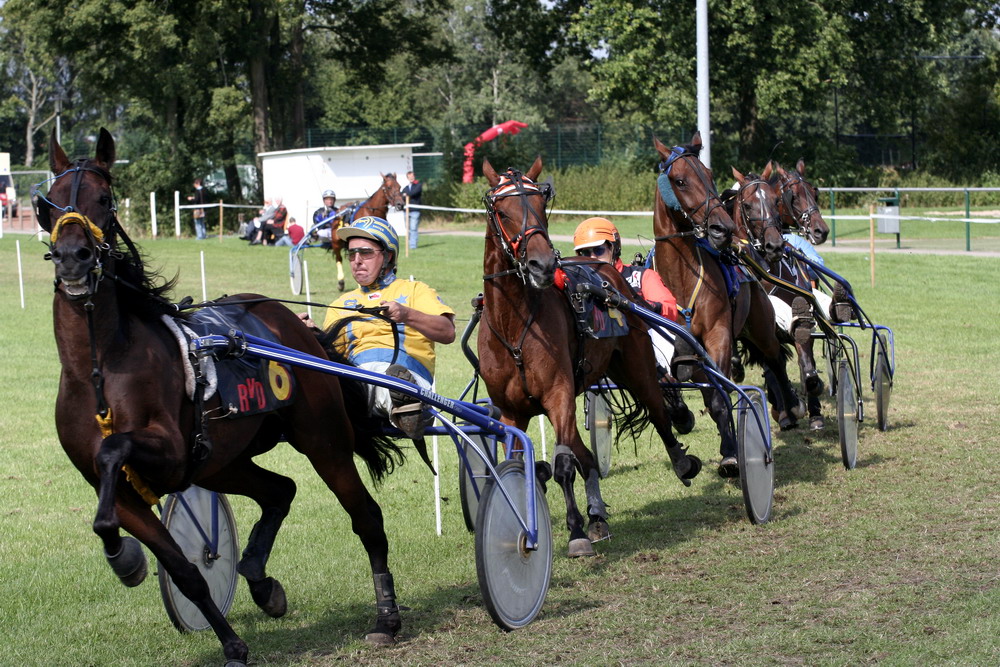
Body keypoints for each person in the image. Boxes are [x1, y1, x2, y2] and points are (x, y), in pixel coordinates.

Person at [300, 216, 455, 439]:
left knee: (387, 380)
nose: (356, 261)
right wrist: (311, 336)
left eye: (366, 253)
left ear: (388, 256)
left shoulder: (415, 290)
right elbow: (332, 360)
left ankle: (406, 400)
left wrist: (406, 314)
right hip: (355, 381)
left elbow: (447, 332)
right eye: (351, 254)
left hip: (410, 375)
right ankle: (401, 402)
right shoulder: (338, 305)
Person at [573, 217, 680, 370]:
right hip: (599, 350)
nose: (592, 258)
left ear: (614, 248)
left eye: (598, 250)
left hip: (642, 343)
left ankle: (669, 385)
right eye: (584, 253)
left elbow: (669, 309)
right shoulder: (578, 283)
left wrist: (647, 307)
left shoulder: (642, 276)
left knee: (660, 333)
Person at [401, 171, 423, 250]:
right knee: (408, 228)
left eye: (412, 176)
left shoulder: (418, 186)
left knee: (413, 228)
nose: (411, 178)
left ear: (414, 177)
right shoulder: (405, 188)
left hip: (415, 211)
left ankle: (413, 246)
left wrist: (406, 194)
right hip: (406, 211)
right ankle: (410, 243)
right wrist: (404, 195)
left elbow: (413, 193)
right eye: (409, 177)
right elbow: (401, 195)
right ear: (407, 178)